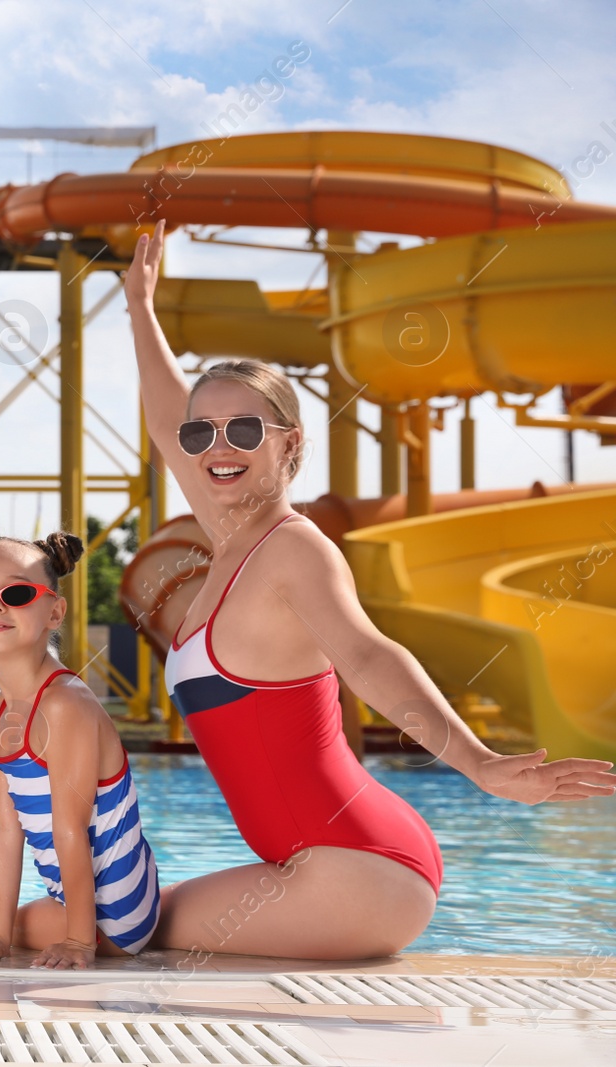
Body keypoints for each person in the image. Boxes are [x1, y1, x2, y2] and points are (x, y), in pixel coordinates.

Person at [124, 219, 616, 960]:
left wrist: (480, 763)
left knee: (114, 931)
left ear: (289, 441)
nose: (215, 448)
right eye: (204, 436)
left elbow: (368, 655)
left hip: (360, 870)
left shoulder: (294, 550)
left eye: (244, 430)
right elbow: (168, 418)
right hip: (331, 858)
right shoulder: (231, 539)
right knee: (99, 922)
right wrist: (140, 306)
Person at [0, 522, 159, 970]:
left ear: (55, 613)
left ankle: (76, 929)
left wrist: (79, 941)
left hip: (116, 915)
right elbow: (4, 827)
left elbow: (69, 829)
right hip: (82, 900)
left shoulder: (65, 704)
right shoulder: (4, 708)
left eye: (16, 595)